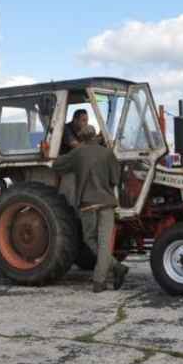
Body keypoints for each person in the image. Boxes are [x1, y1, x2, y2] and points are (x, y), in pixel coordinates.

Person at [52, 124, 128, 293]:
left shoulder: (78, 153)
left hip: (87, 204)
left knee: (90, 239)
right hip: (107, 203)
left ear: (81, 138)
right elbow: (115, 179)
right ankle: (109, 273)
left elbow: (57, 166)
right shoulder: (107, 153)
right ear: (95, 137)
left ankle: (106, 276)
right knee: (104, 242)